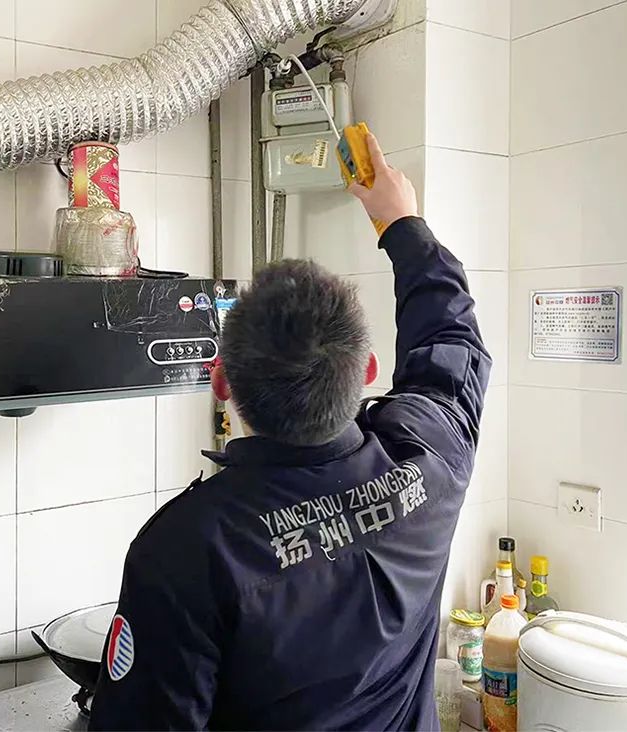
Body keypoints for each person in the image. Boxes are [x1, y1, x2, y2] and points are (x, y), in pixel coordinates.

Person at [88, 132, 491, 731]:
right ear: (367, 370)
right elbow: (452, 340)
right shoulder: (431, 454)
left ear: (220, 382)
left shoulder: (189, 548)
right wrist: (400, 222)